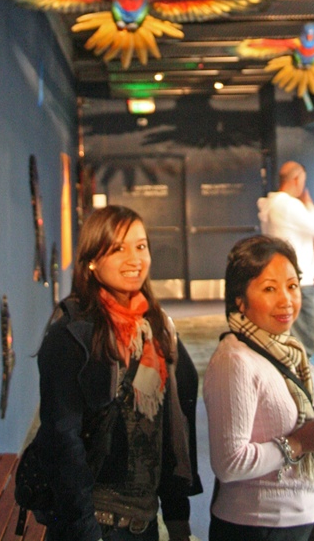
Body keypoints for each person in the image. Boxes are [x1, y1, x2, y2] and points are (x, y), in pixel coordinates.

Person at [34, 205, 201, 541]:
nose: (134, 259)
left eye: (140, 246)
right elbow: (63, 442)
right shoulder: (72, 335)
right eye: (118, 248)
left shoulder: (157, 329)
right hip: (95, 525)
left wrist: (177, 516)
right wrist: (85, 531)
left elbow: (173, 428)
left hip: (145, 524)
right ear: (92, 260)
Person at [203, 235, 314, 541]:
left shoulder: (288, 346)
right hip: (256, 526)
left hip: (301, 515)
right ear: (240, 299)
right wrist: (298, 443)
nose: (286, 300)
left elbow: (311, 384)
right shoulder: (235, 360)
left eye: (292, 286)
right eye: (269, 288)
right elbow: (229, 463)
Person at [258, 161, 314, 400]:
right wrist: (310, 204)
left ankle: (304, 402)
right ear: (297, 180)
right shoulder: (291, 206)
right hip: (300, 287)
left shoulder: (269, 205)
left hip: (280, 286)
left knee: (292, 346)